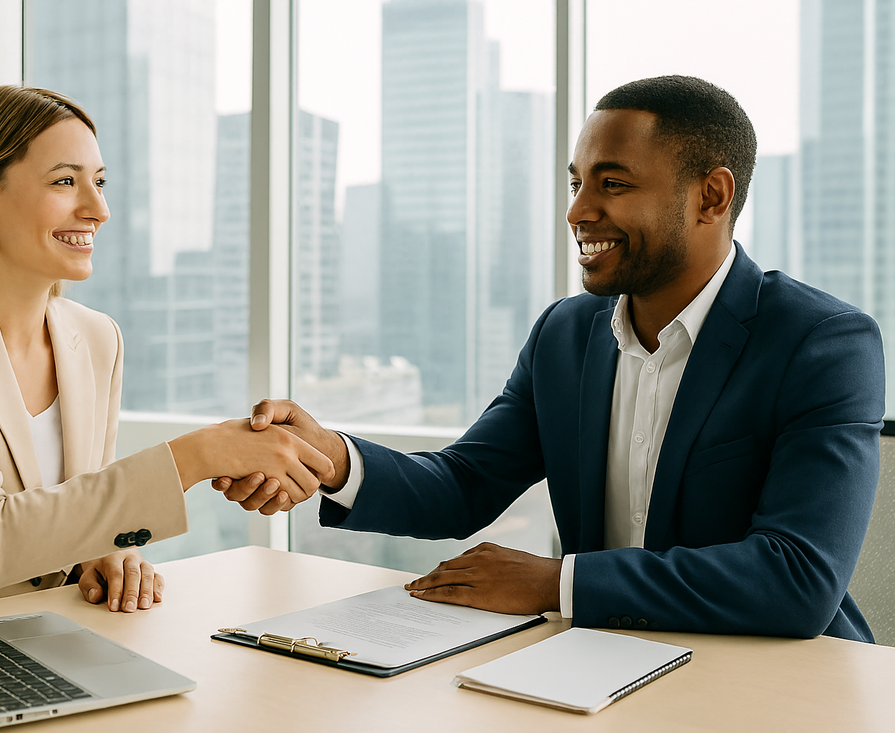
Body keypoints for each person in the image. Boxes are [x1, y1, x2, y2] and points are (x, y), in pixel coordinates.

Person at [214, 75, 886, 641]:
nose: (578, 211)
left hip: (778, 676)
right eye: (576, 183)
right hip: (588, 661)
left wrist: (554, 580)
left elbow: (795, 577)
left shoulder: (822, 343)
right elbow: (463, 484)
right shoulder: (566, 334)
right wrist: (332, 456)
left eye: (613, 184)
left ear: (712, 195)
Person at [0, 85, 333, 615]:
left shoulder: (98, 337)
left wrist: (102, 553)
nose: (97, 208)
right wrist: (200, 454)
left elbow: (78, 512)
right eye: (65, 181)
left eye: (99, 183)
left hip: (69, 635)